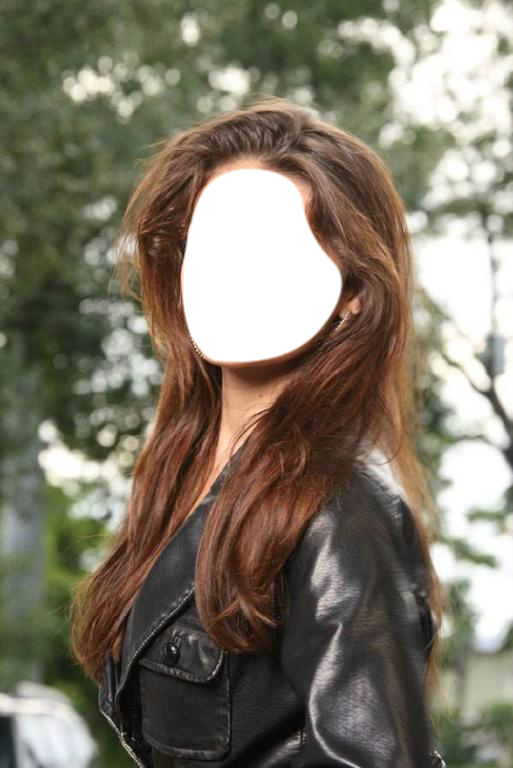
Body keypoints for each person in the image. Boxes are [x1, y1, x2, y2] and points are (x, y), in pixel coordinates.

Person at [69, 96, 448, 767]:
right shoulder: (181, 475)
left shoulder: (343, 509)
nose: (233, 275)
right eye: (213, 247)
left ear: (352, 297)